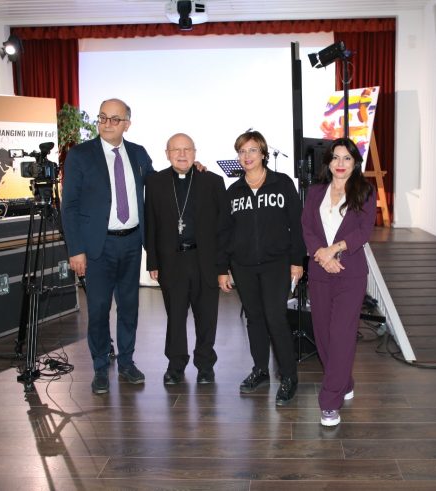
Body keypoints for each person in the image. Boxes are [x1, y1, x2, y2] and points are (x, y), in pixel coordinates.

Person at [61, 98, 154, 394]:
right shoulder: (80, 155)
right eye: (103, 117)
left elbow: (158, 187)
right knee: (99, 310)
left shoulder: (138, 154)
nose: (107, 124)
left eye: (115, 119)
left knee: (129, 307)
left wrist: (190, 169)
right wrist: (76, 249)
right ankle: (101, 367)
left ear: (127, 124)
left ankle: (126, 362)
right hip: (97, 247)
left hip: (132, 243)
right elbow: (69, 205)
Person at [217, 130, 305, 406]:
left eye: (252, 150)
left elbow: (297, 224)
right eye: (242, 151)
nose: (247, 156)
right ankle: (260, 370)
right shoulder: (233, 192)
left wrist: (297, 261)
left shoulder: (282, 184)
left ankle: (289, 376)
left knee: (275, 317)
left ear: (264, 154)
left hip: (276, 263)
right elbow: (224, 233)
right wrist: (223, 268)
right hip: (242, 265)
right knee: (254, 319)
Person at [300, 137, 376, 427]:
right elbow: (307, 227)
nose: (340, 163)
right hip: (320, 271)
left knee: (342, 335)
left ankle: (329, 402)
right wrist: (322, 255)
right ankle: (344, 381)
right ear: (328, 162)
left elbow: (364, 231)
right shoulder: (315, 192)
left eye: (346, 158)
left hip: (350, 273)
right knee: (323, 335)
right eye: (335, 157)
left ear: (355, 163)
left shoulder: (365, 191)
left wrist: (335, 249)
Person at [145, 133, 226, 385]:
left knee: (206, 316)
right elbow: (151, 224)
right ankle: (175, 365)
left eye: (187, 149)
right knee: (176, 317)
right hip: (171, 261)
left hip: (205, 259)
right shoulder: (155, 182)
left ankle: (205, 365)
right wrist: (153, 262)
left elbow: (223, 227)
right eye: (176, 150)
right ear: (167, 154)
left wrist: (222, 266)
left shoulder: (212, 181)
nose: (182, 154)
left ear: (195, 153)